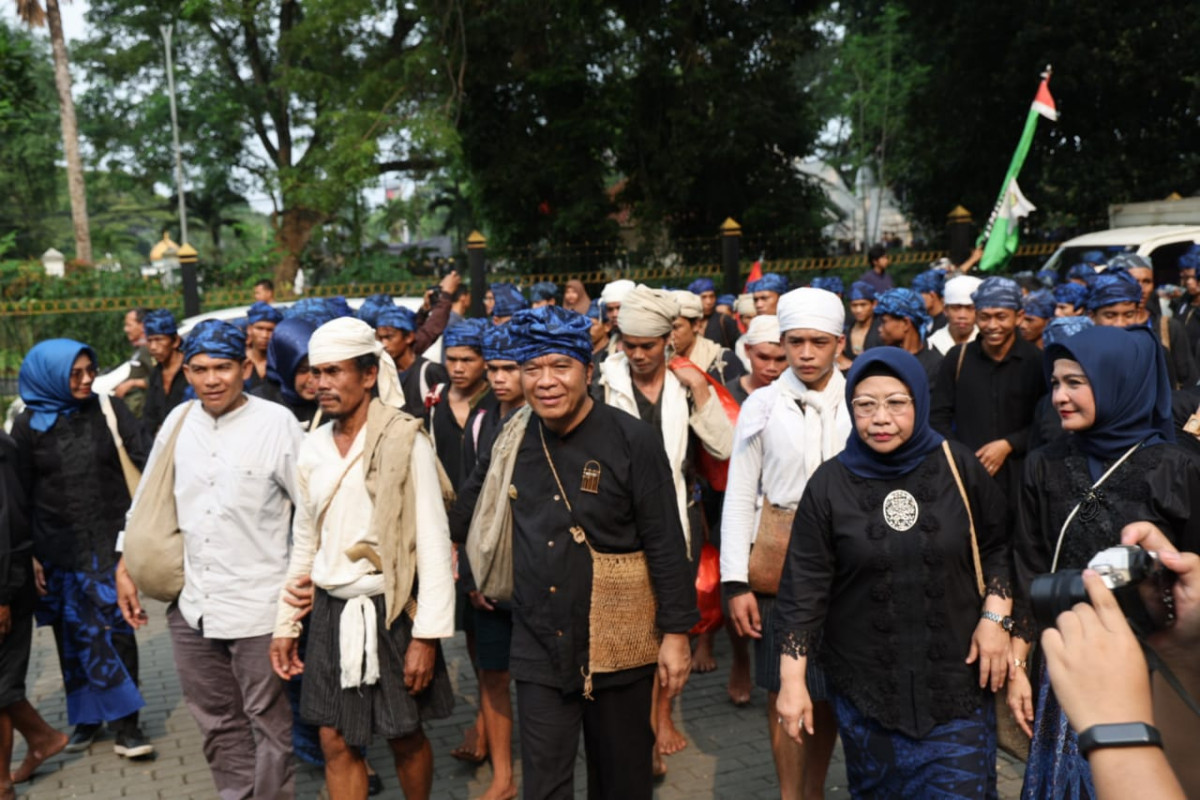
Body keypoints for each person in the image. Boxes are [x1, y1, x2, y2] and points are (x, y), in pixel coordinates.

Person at [460, 305, 697, 799]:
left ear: (587, 372)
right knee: (544, 783)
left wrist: (676, 635)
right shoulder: (510, 440)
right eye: (533, 369)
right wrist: (473, 572)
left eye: (560, 367)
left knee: (622, 780)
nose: (545, 382)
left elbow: (666, 544)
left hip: (621, 641)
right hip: (538, 640)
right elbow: (466, 515)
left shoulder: (632, 439)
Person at [775, 348, 1013, 798]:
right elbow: (803, 590)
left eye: (896, 403)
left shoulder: (956, 465)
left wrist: (995, 619)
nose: (880, 418)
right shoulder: (828, 484)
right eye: (865, 405)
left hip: (956, 685)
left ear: (919, 402)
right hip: (868, 695)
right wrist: (792, 683)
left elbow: (998, 545)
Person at [1008, 324, 1200, 799]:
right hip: (1070, 659)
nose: (1059, 396)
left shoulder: (1176, 467)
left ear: (1120, 382)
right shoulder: (1044, 463)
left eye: (1076, 382)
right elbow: (1031, 561)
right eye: (1055, 383)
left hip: (1152, 665)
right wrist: (1021, 663)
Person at [117, 319, 304, 800]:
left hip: (260, 605)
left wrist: (300, 595)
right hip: (191, 605)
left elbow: (310, 513)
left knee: (268, 723)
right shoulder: (179, 423)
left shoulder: (276, 423)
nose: (211, 380)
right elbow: (148, 500)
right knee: (216, 722)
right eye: (199, 369)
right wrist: (125, 564)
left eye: (222, 367)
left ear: (245, 367)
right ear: (187, 372)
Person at [270, 318, 454, 800]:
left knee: (404, 733)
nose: (321, 384)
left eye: (334, 372)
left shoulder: (403, 439)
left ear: (369, 375)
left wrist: (427, 639)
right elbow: (306, 539)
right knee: (334, 739)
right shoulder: (311, 446)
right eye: (315, 372)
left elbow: (433, 543)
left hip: (391, 609)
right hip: (331, 612)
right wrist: (287, 624)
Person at [596, 285, 733, 775]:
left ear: (668, 342)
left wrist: (700, 391)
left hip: (677, 520)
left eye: (647, 346)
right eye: (628, 344)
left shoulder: (687, 382)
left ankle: (663, 719)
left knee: (669, 626)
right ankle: (641, 730)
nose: (636, 355)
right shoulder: (600, 382)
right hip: (615, 528)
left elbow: (722, 447)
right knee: (631, 630)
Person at [721, 288, 850, 800]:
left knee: (832, 690)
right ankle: (793, 794)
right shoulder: (762, 405)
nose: (805, 353)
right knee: (786, 687)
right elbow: (738, 496)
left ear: (839, 342)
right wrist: (736, 581)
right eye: (794, 341)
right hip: (781, 562)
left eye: (818, 342)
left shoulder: (864, 396)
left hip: (852, 564)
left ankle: (816, 787)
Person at [12, 340, 154, 762]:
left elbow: (146, 457)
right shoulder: (26, 425)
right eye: (76, 374)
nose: (87, 379)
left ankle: (127, 724)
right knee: (72, 637)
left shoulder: (107, 408)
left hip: (109, 546)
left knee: (116, 629)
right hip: (55, 550)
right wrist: (29, 555)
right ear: (50, 376)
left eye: (90, 370)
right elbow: (18, 494)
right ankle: (88, 719)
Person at [450, 322, 525, 800]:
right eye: (493, 368)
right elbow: (471, 502)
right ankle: (503, 776)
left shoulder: (547, 415)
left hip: (539, 569)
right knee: (492, 672)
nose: (499, 378)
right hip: (488, 567)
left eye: (509, 368)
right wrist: (471, 570)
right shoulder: (481, 421)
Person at [930, 276, 1046, 503]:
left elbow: (1044, 422)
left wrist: (1008, 444)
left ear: (1018, 317)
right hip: (967, 479)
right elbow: (938, 417)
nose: (992, 326)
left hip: (1021, 480)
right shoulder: (958, 358)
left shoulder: (1036, 361)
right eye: (984, 317)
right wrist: (962, 457)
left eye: (1001, 317)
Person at [0, 430, 69, 797]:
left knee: (2, 686)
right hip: (11, 576)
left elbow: (8, 521)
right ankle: (43, 738)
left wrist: (3, 596)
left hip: (6, 585)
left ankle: (3, 783)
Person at [1118, 254, 1197, 389]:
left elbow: (1188, 382)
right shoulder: (1108, 327)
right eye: (1134, 281)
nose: (1141, 289)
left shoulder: (1169, 327)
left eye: (1147, 282)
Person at [374, 305, 448, 419]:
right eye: (380, 338)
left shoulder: (430, 372)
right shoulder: (380, 373)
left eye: (389, 337)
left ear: (409, 337)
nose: (384, 344)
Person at [250, 315, 323, 429]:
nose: (312, 379)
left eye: (316, 370)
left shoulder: (330, 403)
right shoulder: (259, 405)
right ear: (285, 368)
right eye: (302, 370)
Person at [873, 288, 941, 390]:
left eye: (884, 321)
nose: (879, 329)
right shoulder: (880, 360)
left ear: (905, 323)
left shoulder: (935, 364)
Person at [670, 290, 744, 384]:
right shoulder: (663, 363)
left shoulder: (723, 361)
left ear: (696, 325)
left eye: (676, 328)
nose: (670, 336)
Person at [142, 309, 188, 434]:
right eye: (149, 341)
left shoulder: (190, 371)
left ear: (175, 341)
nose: (153, 347)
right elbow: (150, 417)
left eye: (159, 340)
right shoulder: (156, 374)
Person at [725, 315, 784, 405]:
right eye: (763, 358)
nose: (772, 367)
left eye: (780, 359)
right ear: (747, 350)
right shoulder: (726, 395)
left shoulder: (799, 396)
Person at [112, 308, 152, 418]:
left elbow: (160, 378)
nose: (126, 329)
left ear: (142, 325)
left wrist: (132, 383)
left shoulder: (149, 349)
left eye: (129, 325)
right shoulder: (140, 348)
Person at [928, 275, 981, 356]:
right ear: (945, 310)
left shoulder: (986, 343)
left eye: (970, 308)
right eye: (956, 308)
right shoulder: (932, 344)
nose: (962, 315)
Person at [838, 281, 881, 370]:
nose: (858, 310)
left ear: (874, 304)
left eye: (863, 305)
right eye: (854, 305)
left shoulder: (881, 329)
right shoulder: (846, 329)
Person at [691, 278, 741, 350]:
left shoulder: (723, 320)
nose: (709, 301)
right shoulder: (689, 321)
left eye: (712, 296)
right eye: (703, 297)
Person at [245, 299, 285, 390]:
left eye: (270, 330)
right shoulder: (241, 360)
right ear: (249, 329)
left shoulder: (280, 362)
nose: (264, 335)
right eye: (259, 328)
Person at [599, 279, 636, 355]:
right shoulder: (613, 343)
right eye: (610, 309)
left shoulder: (645, 338)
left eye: (619, 308)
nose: (614, 314)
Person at [912, 269, 947, 333]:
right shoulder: (930, 322)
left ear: (932, 295)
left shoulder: (945, 325)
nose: (915, 299)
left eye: (918, 295)